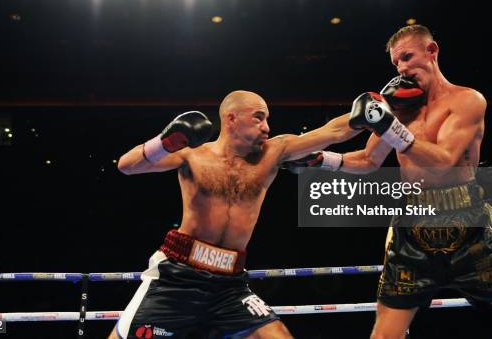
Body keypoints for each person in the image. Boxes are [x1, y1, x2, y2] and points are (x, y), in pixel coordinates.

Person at [285, 25, 492, 339]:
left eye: (408, 57)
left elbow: (444, 161)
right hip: (414, 224)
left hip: (469, 222)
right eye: (397, 63)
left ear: (432, 51)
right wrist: (322, 160)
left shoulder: (467, 101)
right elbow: (369, 161)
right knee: (384, 335)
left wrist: (389, 126)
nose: (403, 69)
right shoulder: (400, 109)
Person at [110, 90, 361, 339]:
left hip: (230, 285)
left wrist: (380, 108)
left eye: (267, 119)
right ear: (231, 119)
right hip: (177, 278)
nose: (266, 127)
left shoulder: (273, 152)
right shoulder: (193, 154)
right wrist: (165, 142)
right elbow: (127, 166)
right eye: (258, 118)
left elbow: (334, 131)